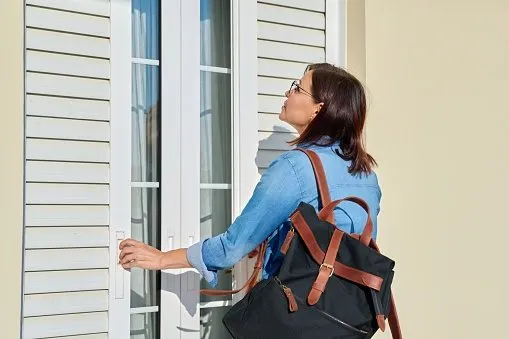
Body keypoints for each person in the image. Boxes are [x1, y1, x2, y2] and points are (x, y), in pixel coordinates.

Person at [119, 63, 381, 289]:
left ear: (318, 109)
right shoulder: (366, 173)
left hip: (299, 318)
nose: (288, 92)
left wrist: (162, 258)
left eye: (298, 88)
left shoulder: (296, 167)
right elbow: (338, 239)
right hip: (345, 319)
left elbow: (232, 248)